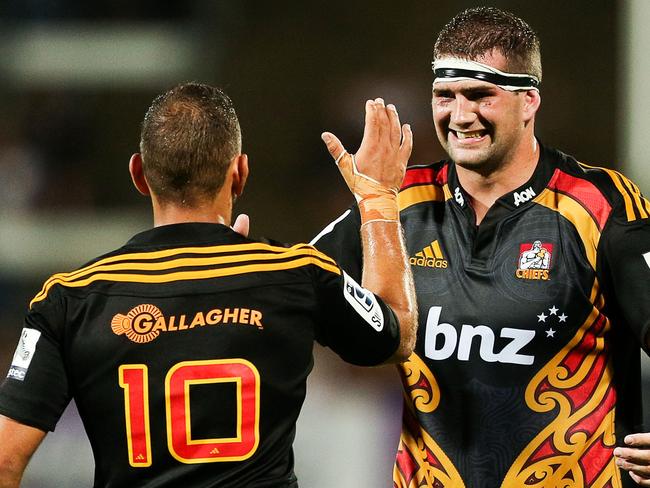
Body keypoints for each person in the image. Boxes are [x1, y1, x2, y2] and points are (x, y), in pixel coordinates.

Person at [0, 83, 417, 487]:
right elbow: (396, 334)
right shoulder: (297, 276)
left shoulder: (70, 298)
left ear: (139, 174)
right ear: (239, 173)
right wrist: (377, 198)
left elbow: (4, 461)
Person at [313, 7, 650, 488]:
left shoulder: (598, 206)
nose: (459, 115)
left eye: (479, 95)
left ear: (529, 101)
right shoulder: (397, 203)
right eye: (444, 95)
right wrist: (235, 264)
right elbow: (292, 286)